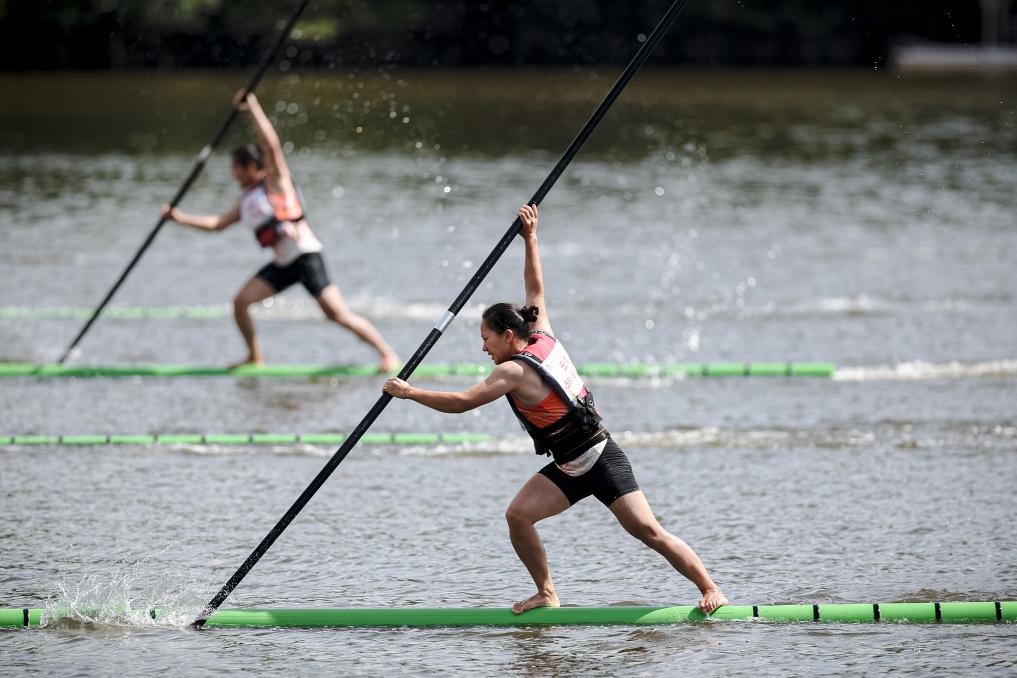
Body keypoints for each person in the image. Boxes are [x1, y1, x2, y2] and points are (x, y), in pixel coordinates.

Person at [383, 204, 727, 615]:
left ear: (509, 336)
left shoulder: (513, 371)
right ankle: (547, 592)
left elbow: (462, 403)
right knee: (518, 516)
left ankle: (711, 588)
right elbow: (537, 291)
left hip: (600, 458)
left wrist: (408, 392)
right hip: (567, 466)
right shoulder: (540, 331)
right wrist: (530, 238)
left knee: (647, 530)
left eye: (486, 338)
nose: (483, 347)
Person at [162, 90, 399, 371]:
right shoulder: (246, 200)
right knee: (240, 303)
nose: (233, 174)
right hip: (284, 264)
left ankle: (387, 354)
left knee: (337, 314)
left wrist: (252, 107)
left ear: (252, 167)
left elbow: (271, 145)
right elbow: (217, 225)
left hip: (306, 256)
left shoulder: (276, 183)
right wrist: (178, 217)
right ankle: (254, 356)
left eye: (236, 169)